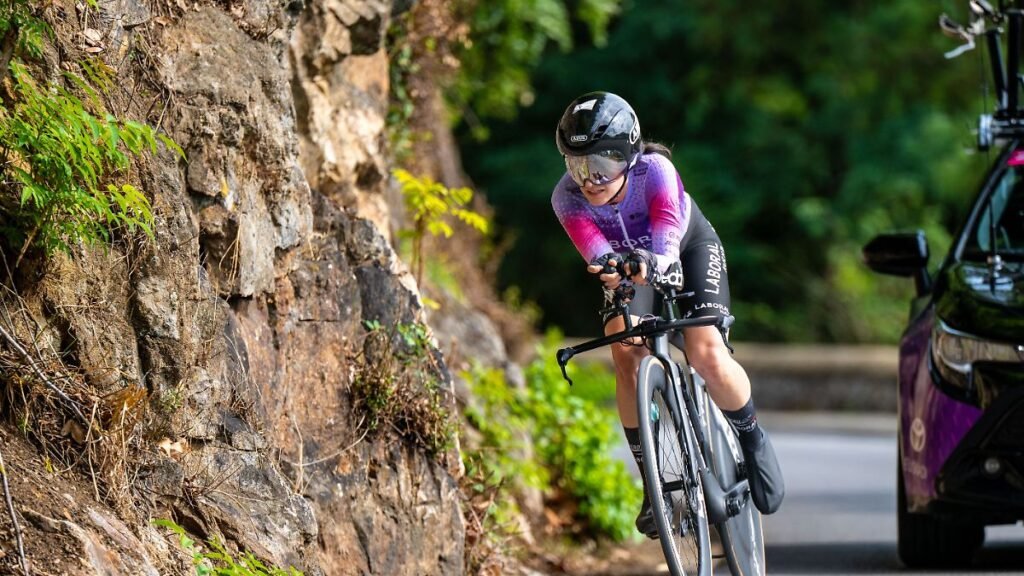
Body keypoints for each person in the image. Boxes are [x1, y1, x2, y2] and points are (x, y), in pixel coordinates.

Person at [551, 91, 784, 536]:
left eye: (601, 165)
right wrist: (615, 273)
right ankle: (653, 481)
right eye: (576, 165)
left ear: (627, 156)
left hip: (683, 247)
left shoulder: (655, 172)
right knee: (624, 349)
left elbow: (667, 246)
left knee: (706, 353)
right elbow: (600, 259)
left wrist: (648, 267)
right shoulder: (566, 199)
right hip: (629, 267)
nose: (589, 179)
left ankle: (752, 438)